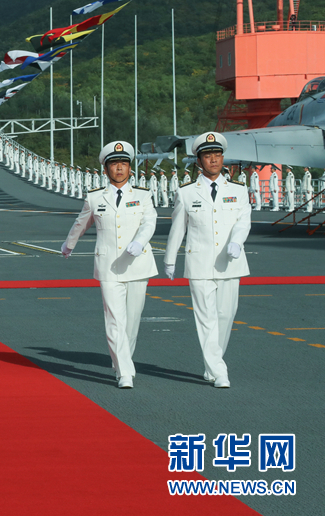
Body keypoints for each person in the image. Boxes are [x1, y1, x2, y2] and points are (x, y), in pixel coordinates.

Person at [62, 141, 157, 389]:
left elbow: (149, 223)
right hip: (109, 266)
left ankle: (121, 361)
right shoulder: (95, 198)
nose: (119, 168)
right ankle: (125, 371)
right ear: (106, 169)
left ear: (130, 168)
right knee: (114, 320)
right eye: (114, 164)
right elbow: (81, 223)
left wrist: (139, 242)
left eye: (124, 164)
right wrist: (69, 244)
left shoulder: (144, 195)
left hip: (138, 264)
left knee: (132, 322)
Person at [164, 132, 251, 389]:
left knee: (226, 316)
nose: (213, 160)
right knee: (206, 319)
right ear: (198, 161)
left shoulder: (239, 190)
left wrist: (237, 241)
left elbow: (243, 221)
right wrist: (170, 260)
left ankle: (212, 364)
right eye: (207, 156)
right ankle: (219, 371)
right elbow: (177, 229)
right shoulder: (187, 193)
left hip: (230, 262)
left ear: (222, 158)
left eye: (217, 155)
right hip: (199, 263)